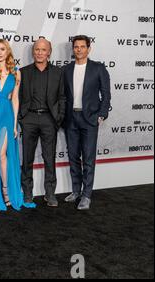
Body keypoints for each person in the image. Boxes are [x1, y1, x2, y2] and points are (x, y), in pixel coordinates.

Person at [0, 39, 35, 211]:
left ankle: (6, 191)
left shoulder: (16, 73)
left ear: (8, 51)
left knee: (1, 153)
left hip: (6, 115)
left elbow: (16, 99)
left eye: (2, 49)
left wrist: (14, 125)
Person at [63, 35, 111, 210]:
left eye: (82, 46)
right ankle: (76, 190)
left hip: (89, 119)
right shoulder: (66, 70)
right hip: (71, 119)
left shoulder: (98, 68)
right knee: (73, 157)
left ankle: (86, 195)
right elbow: (63, 96)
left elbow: (106, 94)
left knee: (88, 159)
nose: (79, 49)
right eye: (76, 47)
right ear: (73, 49)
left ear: (89, 48)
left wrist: (102, 114)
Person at [19, 38, 65, 207]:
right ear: (33, 52)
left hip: (49, 119)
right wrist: (21, 118)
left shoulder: (58, 73)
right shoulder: (23, 72)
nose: (39, 52)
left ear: (49, 52)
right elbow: (18, 97)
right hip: (29, 119)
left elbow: (62, 97)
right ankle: (28, 193)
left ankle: (50, 193)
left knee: (49, 158)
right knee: (27, 158)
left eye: (43, 49)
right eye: (37, 49)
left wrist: (58, 118)